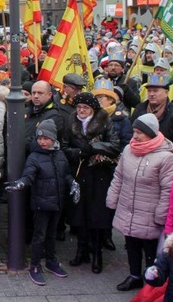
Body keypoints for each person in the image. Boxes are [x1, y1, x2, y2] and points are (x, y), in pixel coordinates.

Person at [105, 113, 173, 292]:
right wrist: (112, 198)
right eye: (134, 131)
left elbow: (168, 189)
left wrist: (161, 213)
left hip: (150, 211)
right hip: (128, 207)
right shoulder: (129, 150)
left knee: (151, 249)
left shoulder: (166, 157)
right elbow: (119, 176)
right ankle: (135, 276)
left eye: (140, 133)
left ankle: (152, 280)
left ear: (151, 133)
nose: (135, 136)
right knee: (131, 244)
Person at [5, 119, 78, 286]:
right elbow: (28, 176)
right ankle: (35, 265)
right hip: (41, 203)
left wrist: (72, 183)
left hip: (57, 202)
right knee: (39, 236)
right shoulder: (34, 156)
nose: (42, 142)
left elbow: (65, 174)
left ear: (53, 138)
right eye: (40, 138)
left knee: (52, 235)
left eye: (46, 138)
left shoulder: (60, 155)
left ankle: (51, 261)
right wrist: (21, 183)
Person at [62, 92, 120, 274]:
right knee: (79, 214)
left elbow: (115, 145)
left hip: (99, 173)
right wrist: (78, 153)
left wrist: (94, 147)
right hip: (79, 171)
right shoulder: (71, 121)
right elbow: (64, 146)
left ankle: (97, 253)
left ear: (93, 109)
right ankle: (81, 251)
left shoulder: (105, 121)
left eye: (85, 108)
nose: (81, 110)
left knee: (96, 215)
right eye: (78, 107)